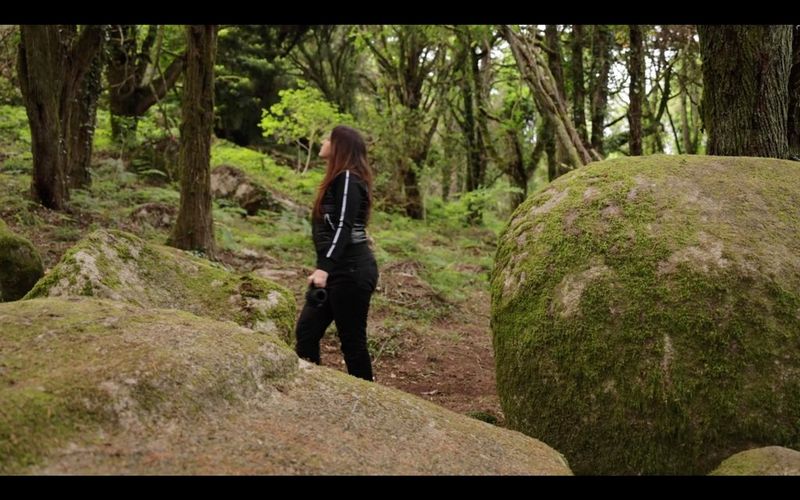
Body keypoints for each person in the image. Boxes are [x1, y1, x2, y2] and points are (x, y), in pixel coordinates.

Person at [294, 125, 379, 381]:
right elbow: (345, 223)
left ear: (339, 146)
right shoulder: (342, 179)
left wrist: (324, 267)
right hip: (339, 270)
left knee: (352, 343)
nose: (323, 141)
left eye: (328, 138)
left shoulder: (347, 178)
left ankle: (369, 405)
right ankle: (312, 390)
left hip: (350, 272)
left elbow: (343, 224)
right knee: (307, 331)